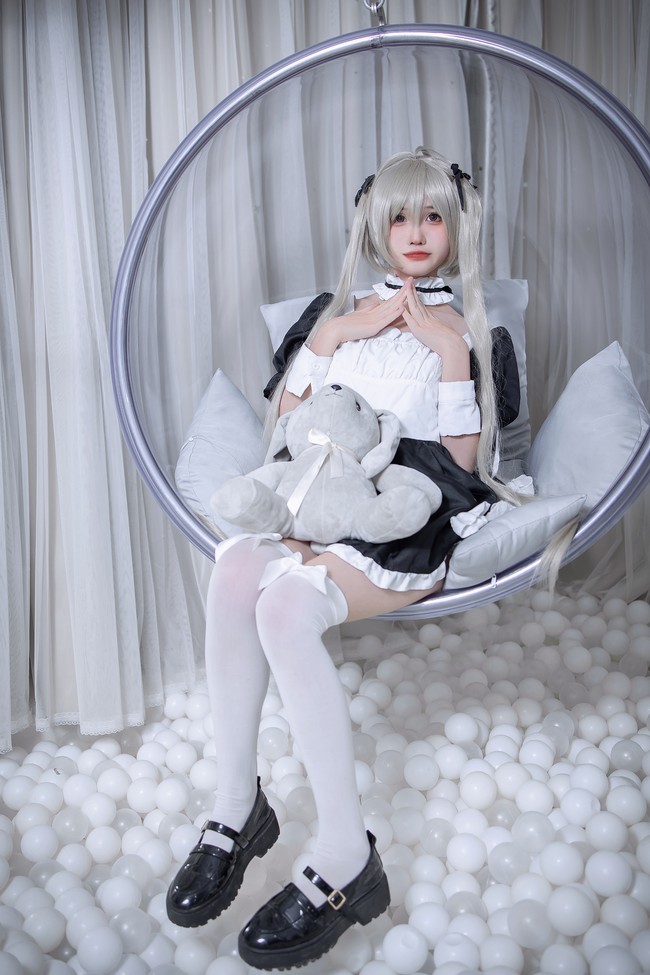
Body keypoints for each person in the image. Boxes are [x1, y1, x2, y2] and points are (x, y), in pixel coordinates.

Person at [166, 147, 520, 970]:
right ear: (374, 227)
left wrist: (449, 353)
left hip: (409, 502)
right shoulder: (335, 317)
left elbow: (463, 465)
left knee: (286, 606)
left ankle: (344, 854)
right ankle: (237, 806)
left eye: (433, 216)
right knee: (235, 565)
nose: (416, 233)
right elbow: (284, 429)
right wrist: (335, 334)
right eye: (399, 217)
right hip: (313, 487)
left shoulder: (471, 331)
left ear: (458, 226)